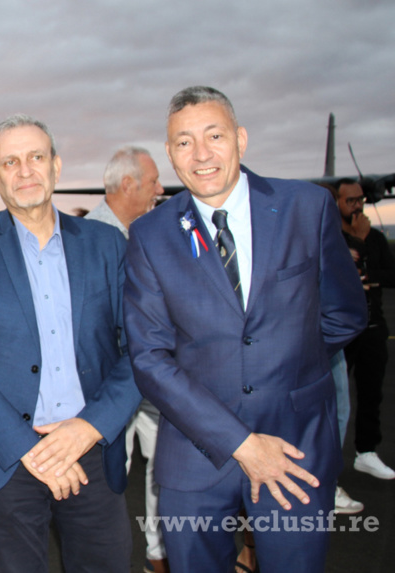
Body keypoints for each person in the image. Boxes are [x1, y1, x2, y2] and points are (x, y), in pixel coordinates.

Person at [123, 86, 367, 573]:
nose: (201, 154)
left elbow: (345, 313)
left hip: (293, 444)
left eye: (214, 136)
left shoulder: (306, 207)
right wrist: (241, 442)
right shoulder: (150, 235)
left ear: (240, 139)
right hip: (196, 448)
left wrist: (284, 365)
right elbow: (149, 357)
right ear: (170, 153)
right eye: (184, 142)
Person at [0, 114, 141, 573]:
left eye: (36, 157)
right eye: (10, 162)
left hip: (91, 449)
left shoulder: (107, 245)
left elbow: (141, 351)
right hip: (6, 458)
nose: (25, 170)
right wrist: (28, 448)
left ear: (56, 167)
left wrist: (89, 427)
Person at [85, 147, 168, 573]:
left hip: (152, 380)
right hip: (111, 386)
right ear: (129, 184)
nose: (160, 189)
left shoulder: (147, 234)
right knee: (110, 478)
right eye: (153, 181)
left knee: (168, 470)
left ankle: (159, 555)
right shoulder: (86, 240)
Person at [335, 178, 395, 480]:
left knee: (372, 394)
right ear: (337, 203)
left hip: (373, 327)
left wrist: (368, 275)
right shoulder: (333, 237)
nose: (357, 206)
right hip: (341, 334)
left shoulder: (376, 238)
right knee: (335, 401)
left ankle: (366, 452)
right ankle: (329, 463)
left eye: (360, 199)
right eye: (350, 201)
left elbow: (391, 274)